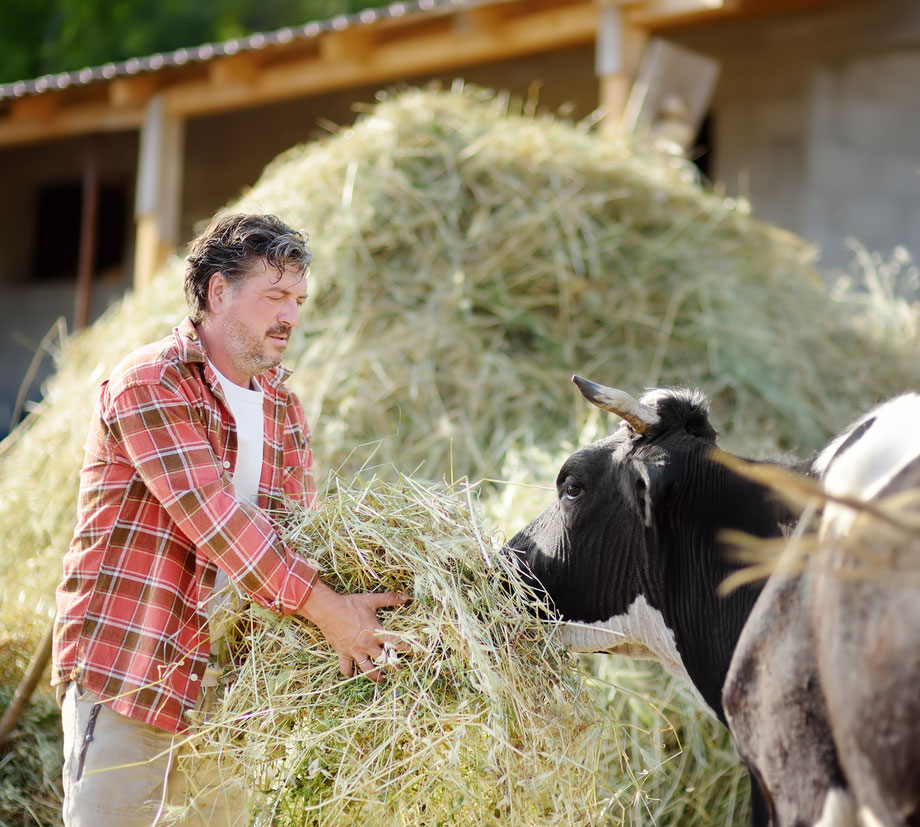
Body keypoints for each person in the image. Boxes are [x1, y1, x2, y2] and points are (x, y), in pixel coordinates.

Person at [51, 213, 406, 826]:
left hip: (232, 690)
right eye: (275, 296)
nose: (291, 316)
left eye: (298, 299)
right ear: (218, 292)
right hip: (135, 668)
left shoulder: (282, 405)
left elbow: (298, 529)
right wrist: (330, 613)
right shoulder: (151, 382)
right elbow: (217, 523)